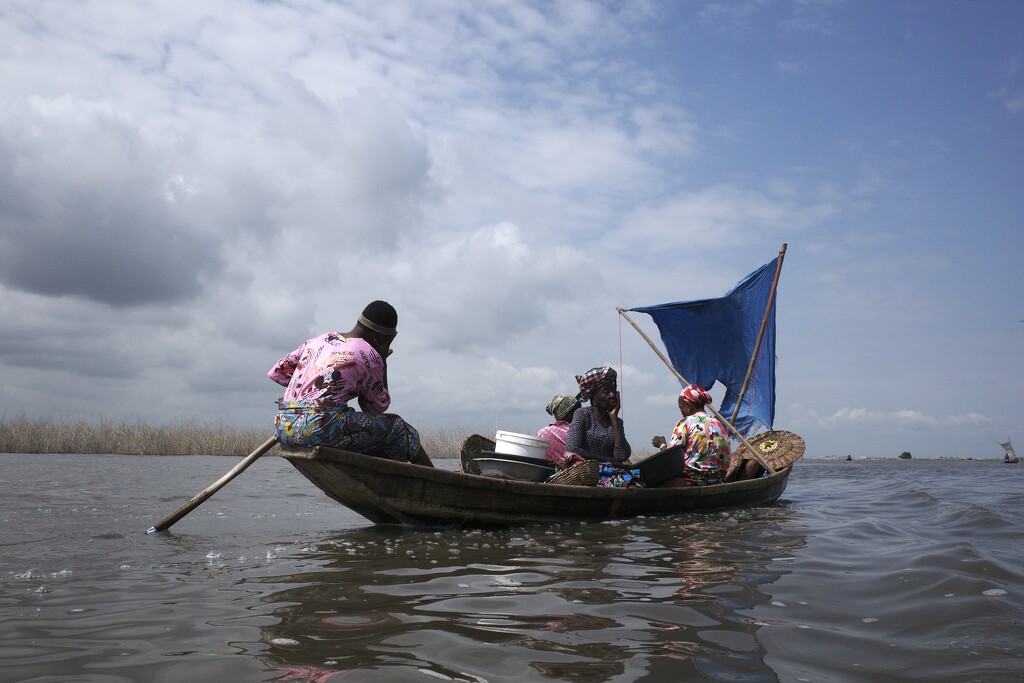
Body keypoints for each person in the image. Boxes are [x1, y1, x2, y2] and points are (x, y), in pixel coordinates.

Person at [268, 300, 433, 467]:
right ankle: (432, 478)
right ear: (382, 338)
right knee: (400, 429)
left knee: (360, 426)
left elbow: (277, 373)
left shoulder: (320, 340)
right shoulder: (370, 355)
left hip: (284, 425)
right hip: (320, 427)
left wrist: (316, 390)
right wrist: (382, 360)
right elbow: (377, 407)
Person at [564, 366, 640, 487]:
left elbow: (621, 455)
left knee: (638, 482)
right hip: (588, 472)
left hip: (611, 472)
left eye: (613, 390)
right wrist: (608, 460)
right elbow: (572, 448)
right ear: (593, 397)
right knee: (625, 485)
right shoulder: (583, 414)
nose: (612, 395)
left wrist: (614, 418)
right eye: (606, 391)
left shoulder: (617, 422)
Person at [651, 384, 731, 485]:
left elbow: (671, 461)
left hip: (691, 481)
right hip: (717, 480)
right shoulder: (719, 424)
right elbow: (726, 461)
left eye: (681, 408)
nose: (681, 412)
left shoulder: (685, 423)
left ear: (689, 406)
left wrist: (662, 444)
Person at [537, 394, 582, 469]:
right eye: (578, 411)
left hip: (548, 474)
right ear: (568, 414)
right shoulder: (574, 432)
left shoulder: (542, 432)